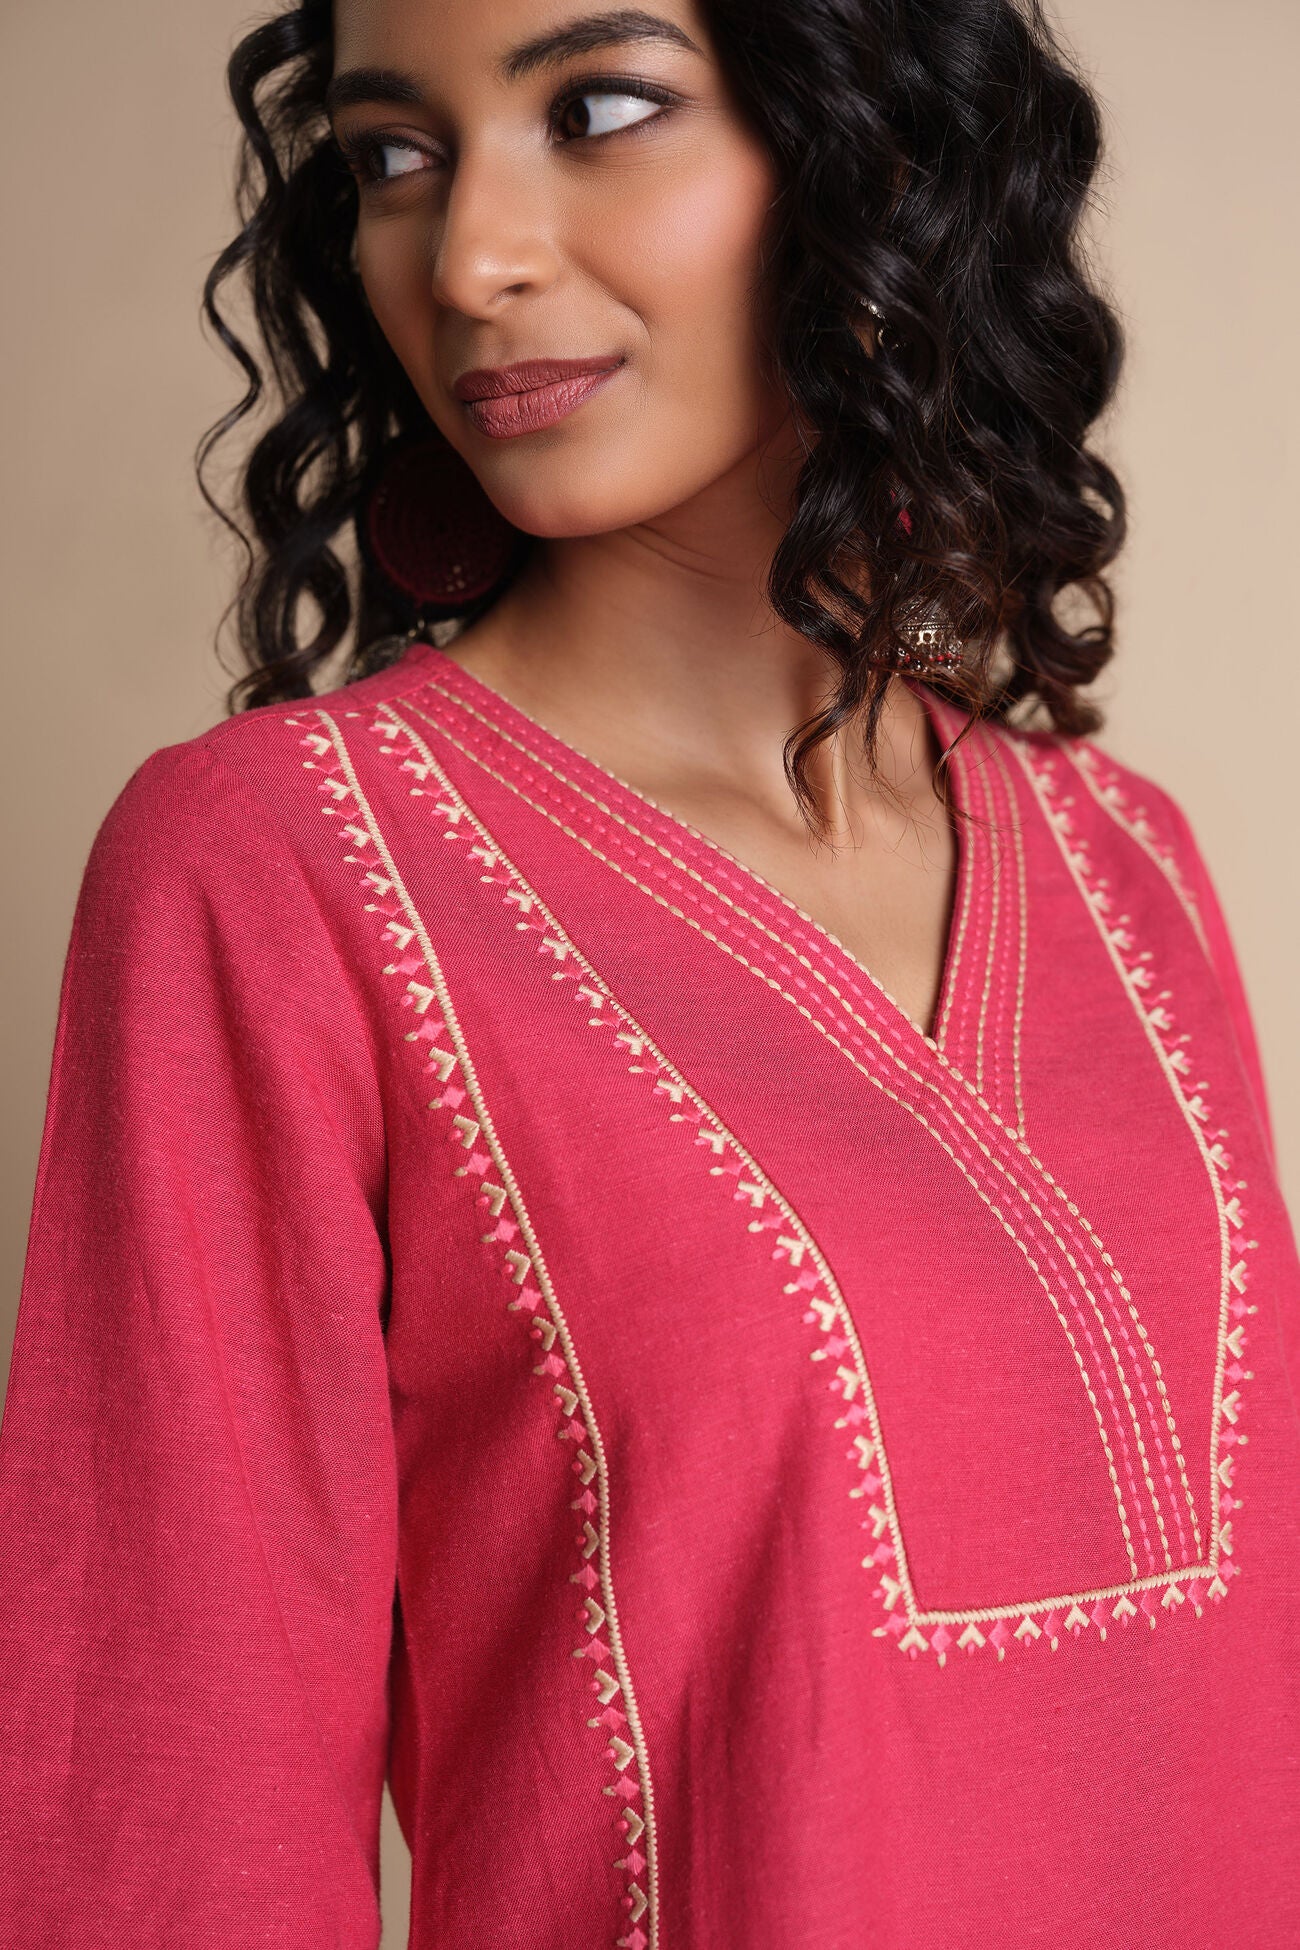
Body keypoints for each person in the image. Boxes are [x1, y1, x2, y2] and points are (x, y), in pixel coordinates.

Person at [1, 0, 1297, 1942]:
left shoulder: (1128, 868)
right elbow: (165, 1823)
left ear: (863, 148)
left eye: (595, 109)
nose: (468, 258)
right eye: (391, 159)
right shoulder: (274, 876)